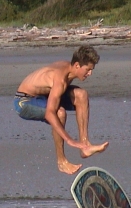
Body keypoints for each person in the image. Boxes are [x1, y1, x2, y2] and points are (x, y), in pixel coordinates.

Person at [13, 45, 109, 174]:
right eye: (87, 70)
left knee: (81, 95)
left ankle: (85, 146)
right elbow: (49, 113)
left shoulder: (67, 69)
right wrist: (70, 140)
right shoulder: (60, 80)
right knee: (59, 113)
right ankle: (61, 161)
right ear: (77, 65)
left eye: (91, 70)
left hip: (43, 96)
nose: (90, 73)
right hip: (23, 101)